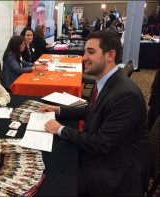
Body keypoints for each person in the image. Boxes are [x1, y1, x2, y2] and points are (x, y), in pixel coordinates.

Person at [39, 30, 150, 196]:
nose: (84, 57)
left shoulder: (126, 95)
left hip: (116, 171)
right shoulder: (104, 81)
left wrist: (61, 129)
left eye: (90, 52)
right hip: (106, 154)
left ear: (110, 55)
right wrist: (59, 110)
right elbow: (92, 110)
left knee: (52, 179)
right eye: (85, 52)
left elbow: (100, 144)